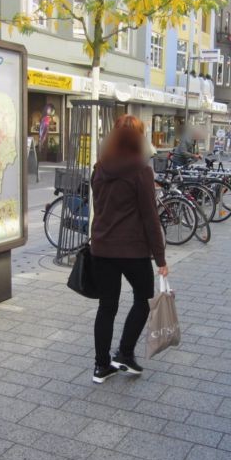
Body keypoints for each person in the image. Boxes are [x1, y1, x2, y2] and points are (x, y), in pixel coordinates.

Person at [90, 118, 168, 384]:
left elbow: (100, 207)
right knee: (144, 298)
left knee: (107, 306)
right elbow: (150, 217)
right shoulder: (141, 171)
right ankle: (124, 352)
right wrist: (161, 258)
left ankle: (101, 366)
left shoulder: (99, 168)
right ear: (138, 139)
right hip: (132, 250)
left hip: (102, 248)